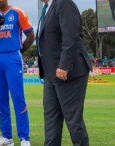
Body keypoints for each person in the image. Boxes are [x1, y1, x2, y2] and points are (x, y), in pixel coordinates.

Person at [36, 0, 92, 145]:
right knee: (51, 121)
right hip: (50, 74)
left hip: (69, 72)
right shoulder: (47, 8)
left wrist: (64, 65)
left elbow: (71, 36)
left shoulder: (64, 3)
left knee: (73, 121)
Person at [0, 0, 35, 145]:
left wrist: (19, 51)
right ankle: (6, 137)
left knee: (18, 98)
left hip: (12, 57)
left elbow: (31, 36)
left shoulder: (18, 12)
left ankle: (24, 138)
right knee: (1, 99)